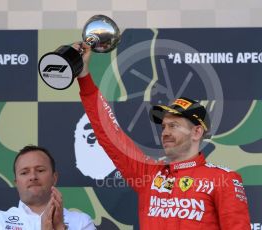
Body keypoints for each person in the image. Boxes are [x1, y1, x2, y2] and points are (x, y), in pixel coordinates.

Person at [75, 42, 251, 229]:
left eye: (174, 125)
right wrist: (84, 76)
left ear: (197, 132)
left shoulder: (222, 179)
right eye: (164, 126)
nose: (165, 132)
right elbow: (110, 133)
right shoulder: (147, 174)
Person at [0, 145, 96, 230]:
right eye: (24, 172)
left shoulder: (81, 222)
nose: (33, 177)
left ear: (54, 178)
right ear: (16, 182)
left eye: (40, 170)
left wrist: (60, 228)